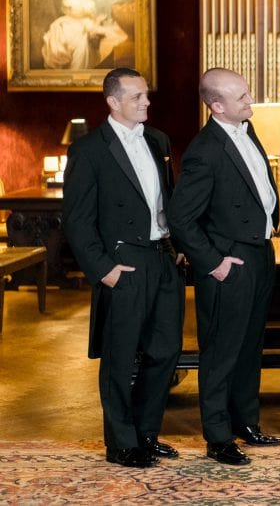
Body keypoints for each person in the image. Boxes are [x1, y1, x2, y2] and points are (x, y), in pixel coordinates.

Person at [63, 67, 183, 468]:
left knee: (165, 351)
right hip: (123, 263)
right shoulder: (89, 150)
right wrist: (104, 270)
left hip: (161, 259)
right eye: (137, 97)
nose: (146, 102)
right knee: (120, 356)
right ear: (113, 102)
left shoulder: (158, 140)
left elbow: (166, 201)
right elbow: (77, 220)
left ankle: (146, 434)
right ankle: (121, 443)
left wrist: (176, 248)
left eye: (146, 95)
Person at [168, 68, 280, 466]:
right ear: (216, 106)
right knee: (221, 352)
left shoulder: (247, 130)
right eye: (242, 97)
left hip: (259, 253)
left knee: (250, 346)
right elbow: (180, 218)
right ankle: (218, 437)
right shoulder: (204, 150)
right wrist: (214, 263)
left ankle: (245, 423)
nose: (250, 101)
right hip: (228, 260)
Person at [41, 0, 127, 70]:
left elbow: (88, 17)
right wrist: (93, 23)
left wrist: (97, 20)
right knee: (105, 36)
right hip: (76, 29)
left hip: (87, 26)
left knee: (115, 33)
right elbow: (78, 16)